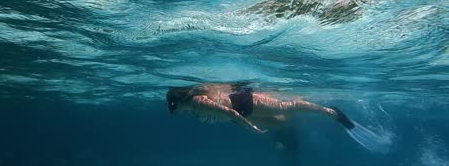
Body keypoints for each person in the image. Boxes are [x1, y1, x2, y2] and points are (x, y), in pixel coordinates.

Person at [166, 82, 389, 153]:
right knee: (281, 122)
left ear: (179, 101)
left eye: (173, 107)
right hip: (241, 113)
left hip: (244, 105)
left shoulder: (197, 103)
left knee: (287, 105)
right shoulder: (193, 108)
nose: (175, 112)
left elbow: (229, 112)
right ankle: (293, 128)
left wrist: (248, 127)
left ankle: (331, 112)